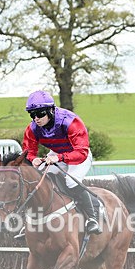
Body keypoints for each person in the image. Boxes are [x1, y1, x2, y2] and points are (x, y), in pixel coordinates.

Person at [21, 90, 101, 234]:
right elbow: (28, 151)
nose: (36, 119)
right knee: (39, 179)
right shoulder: (33, 128)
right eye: (32, 115)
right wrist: (33, 159)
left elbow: (81, 152)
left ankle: (92, 217)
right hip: (57, 154)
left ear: (50, 110)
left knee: (71, 181)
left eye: (40, 114)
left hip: (79, 156)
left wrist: (59, 158)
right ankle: (31, 221)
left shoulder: (70, 122)